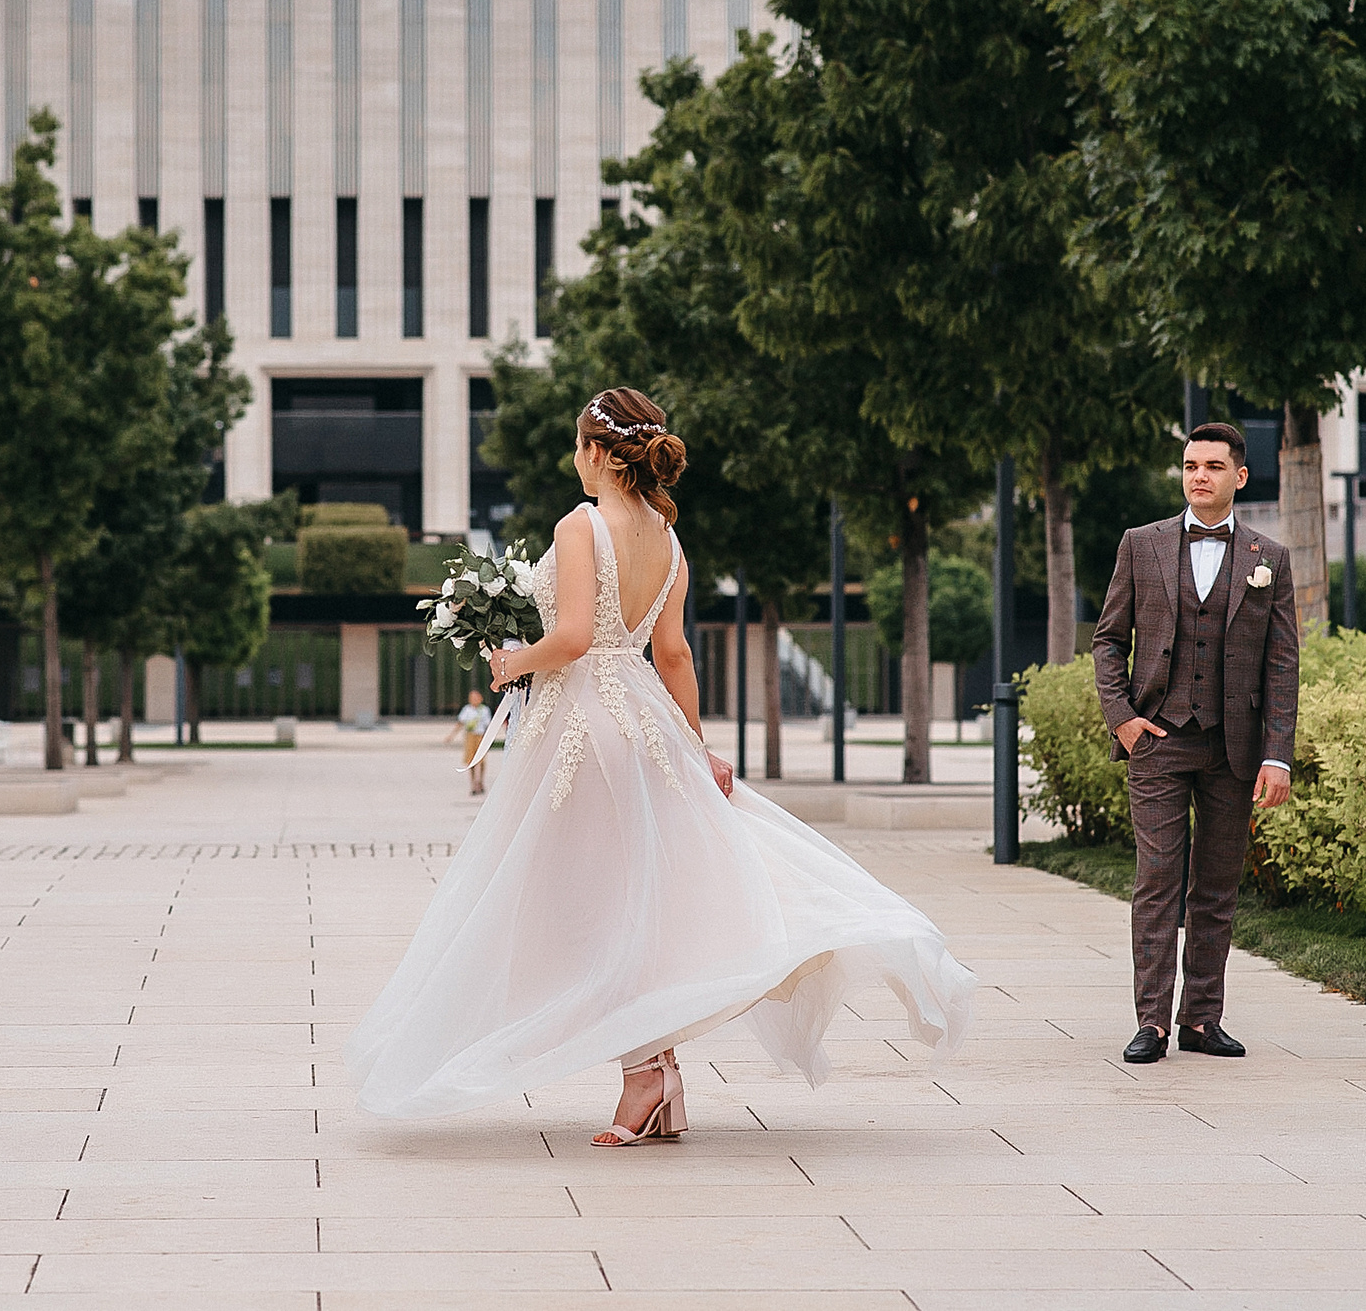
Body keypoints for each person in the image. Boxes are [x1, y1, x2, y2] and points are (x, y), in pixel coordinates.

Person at [348, 387, 976, 1145]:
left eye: (578, 445)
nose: (575, 460)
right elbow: (674, 654)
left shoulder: (581, 525)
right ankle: (657, 1071)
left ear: (599, 452)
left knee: (591, 910)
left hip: (584, 724)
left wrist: (512, 660)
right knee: (635, 902)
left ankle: (646, 1074)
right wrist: (695, 745)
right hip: (644, 721)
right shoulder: (669, 540)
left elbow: (574, 638)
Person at [1089, 421, 1300, 1066]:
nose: (1198, 476)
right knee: (1157, 880)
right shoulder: (1141, 544)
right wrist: (1123, 719)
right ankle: (1152, 1022)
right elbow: (1107, 640)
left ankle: (1202, 1019)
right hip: (1158, 740)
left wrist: (1276, 754)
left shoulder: (1270, 558)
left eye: (1212, 466)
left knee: (1216, 885)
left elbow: (1281, 664)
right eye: (1189, 466)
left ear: (1240, 476)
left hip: (1234, 747)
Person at [447, 688, 493, 795]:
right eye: (472, 698)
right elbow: (460, 723)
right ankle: (473, 783)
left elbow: (488, 725)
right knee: (470, 760)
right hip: (470, 736)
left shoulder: (484, 710)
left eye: (476, 697)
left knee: (481, 760)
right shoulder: (467, 709)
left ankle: (480, 781)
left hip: (480, 736)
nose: (474, 700)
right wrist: (451, 736)